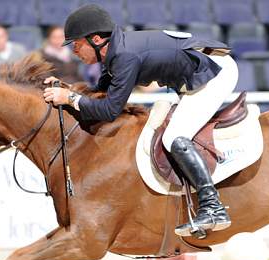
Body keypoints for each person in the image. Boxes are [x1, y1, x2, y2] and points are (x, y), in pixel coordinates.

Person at [42, 4, 238, 238]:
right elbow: (99, 92)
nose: (74, 50)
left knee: (174, 137)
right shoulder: (115, 52)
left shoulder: (125, 56)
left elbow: (110, 110)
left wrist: (70, 97)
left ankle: (213, 207)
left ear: (95, 40)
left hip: (216, 73)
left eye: (76, 44)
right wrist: (67, 90)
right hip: (199, 72)